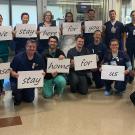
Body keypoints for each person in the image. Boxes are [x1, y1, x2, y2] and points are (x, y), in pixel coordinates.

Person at [10, 39, 43, 105]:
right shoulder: (18, 57)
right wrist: (13, 74)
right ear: (26, 47)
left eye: (34, 47)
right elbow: (10, 70)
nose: (31, 48)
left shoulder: (39, 57)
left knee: (30, 99)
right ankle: (16, 93)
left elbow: (41, 70)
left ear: (36, 48)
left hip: (29, 82)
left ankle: (24, 92)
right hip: (17, 80)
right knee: (18, 100)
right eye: (30, 46)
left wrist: (42, 74)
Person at [0, 14, 10, 96]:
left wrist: (12, 35)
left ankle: (1, 88)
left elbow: (10, 43)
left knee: (3, 72)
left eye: (0, 19)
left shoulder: (6, 30)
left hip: (4, 53)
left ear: (2, 19)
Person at [124, 10, 135, 83]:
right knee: (130, 62)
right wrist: (124, 46)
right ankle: (130, 78)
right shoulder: (127, 26)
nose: (134, 16)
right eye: (133, 15)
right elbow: (124, 37)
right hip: (130, 46)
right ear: (131, 16)